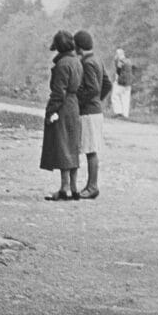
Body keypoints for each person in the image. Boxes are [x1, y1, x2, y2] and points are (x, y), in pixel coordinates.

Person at [40, 30, 83, 200]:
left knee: (63, 146)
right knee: (73, 146)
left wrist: (51, 110)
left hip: (63, 106)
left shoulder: (62, 64)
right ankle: (74, 187)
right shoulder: (77, 62)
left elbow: (58, 92)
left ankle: (64, 188)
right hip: (74, 106)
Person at [74, 30, 106, 200]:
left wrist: (79, 101)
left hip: (88, 112)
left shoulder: (86, 63)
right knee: (91, 148)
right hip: (96, 110)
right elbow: (106, 84)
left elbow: (93, 88)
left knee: (90, 150)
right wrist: (98, 101)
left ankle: (92, 186)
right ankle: (91, 185)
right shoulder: (97, 60)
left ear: (78, 47)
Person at [112, 47, 133, 119]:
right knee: (126, 98)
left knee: (115, 96)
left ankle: (118, 112)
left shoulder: (120, 61)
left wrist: (116, 80)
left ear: (118, 54)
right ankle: (125, 114)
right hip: (128, 83)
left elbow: (118, 71)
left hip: (121, 82)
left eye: (116, 54)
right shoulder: (129, 61)